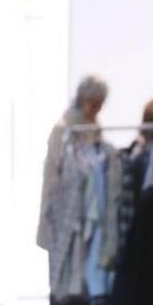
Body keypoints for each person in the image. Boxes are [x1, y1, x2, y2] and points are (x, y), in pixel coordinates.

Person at [38, 75, 108, 251]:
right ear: (85, 100)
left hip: (87, 201)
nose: (98, 109)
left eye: (101, 104)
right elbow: (53, 171)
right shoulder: (65, 128)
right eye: (95, 103)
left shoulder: (93, 126)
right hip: (65, 202)